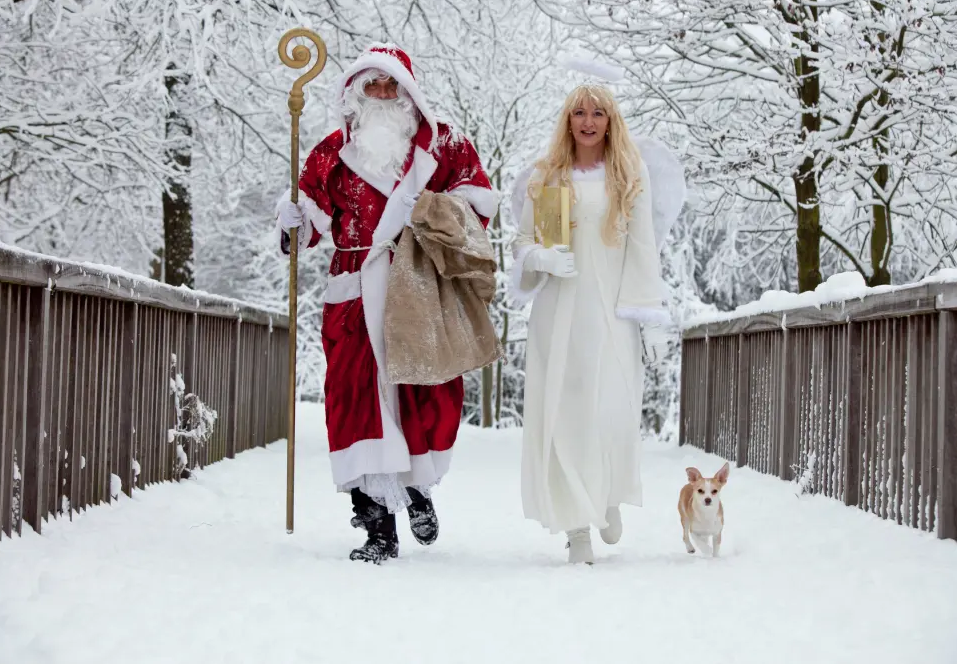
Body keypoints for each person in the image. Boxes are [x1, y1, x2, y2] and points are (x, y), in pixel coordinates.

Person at [274, 43, 498, 564]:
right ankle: (378, 528)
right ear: (354, 92)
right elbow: (308, 220)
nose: (380, 94)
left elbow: (477, 206)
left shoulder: (446, 145)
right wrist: (293, 222)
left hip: (417, 287)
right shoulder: (331, 153)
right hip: (352, 292)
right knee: (354, 406)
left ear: (408, 91)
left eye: (390, 84)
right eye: (370, 85)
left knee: (428, 394)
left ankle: (418, 491)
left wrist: (428, 213)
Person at [510, 84, 682, 564]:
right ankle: (576, 529)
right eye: (579, 113)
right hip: (559, 314)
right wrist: (541, 256)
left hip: (612, 313)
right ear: (568, 120)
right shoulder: (549, 175)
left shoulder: (629, 174)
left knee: (609, 411)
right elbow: (525, 242)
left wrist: (649, 318)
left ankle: (607, 495)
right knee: (564, 416)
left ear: (611, 121)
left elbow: (643, 247)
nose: (588, 121)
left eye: (598, 113)